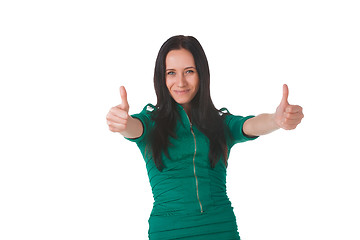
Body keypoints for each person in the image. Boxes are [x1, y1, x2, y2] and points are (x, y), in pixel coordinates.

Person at [106, 35, 304, 240]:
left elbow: (250, 125)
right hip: (169, 231)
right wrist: (122, 122)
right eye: (171, 73)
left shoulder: (220, 122)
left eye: (189, 72)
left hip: (220, 229)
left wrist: (276, 120)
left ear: (202, 74)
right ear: (161, 78)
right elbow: (133, 128)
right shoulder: (150, 122)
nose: (180, 82)